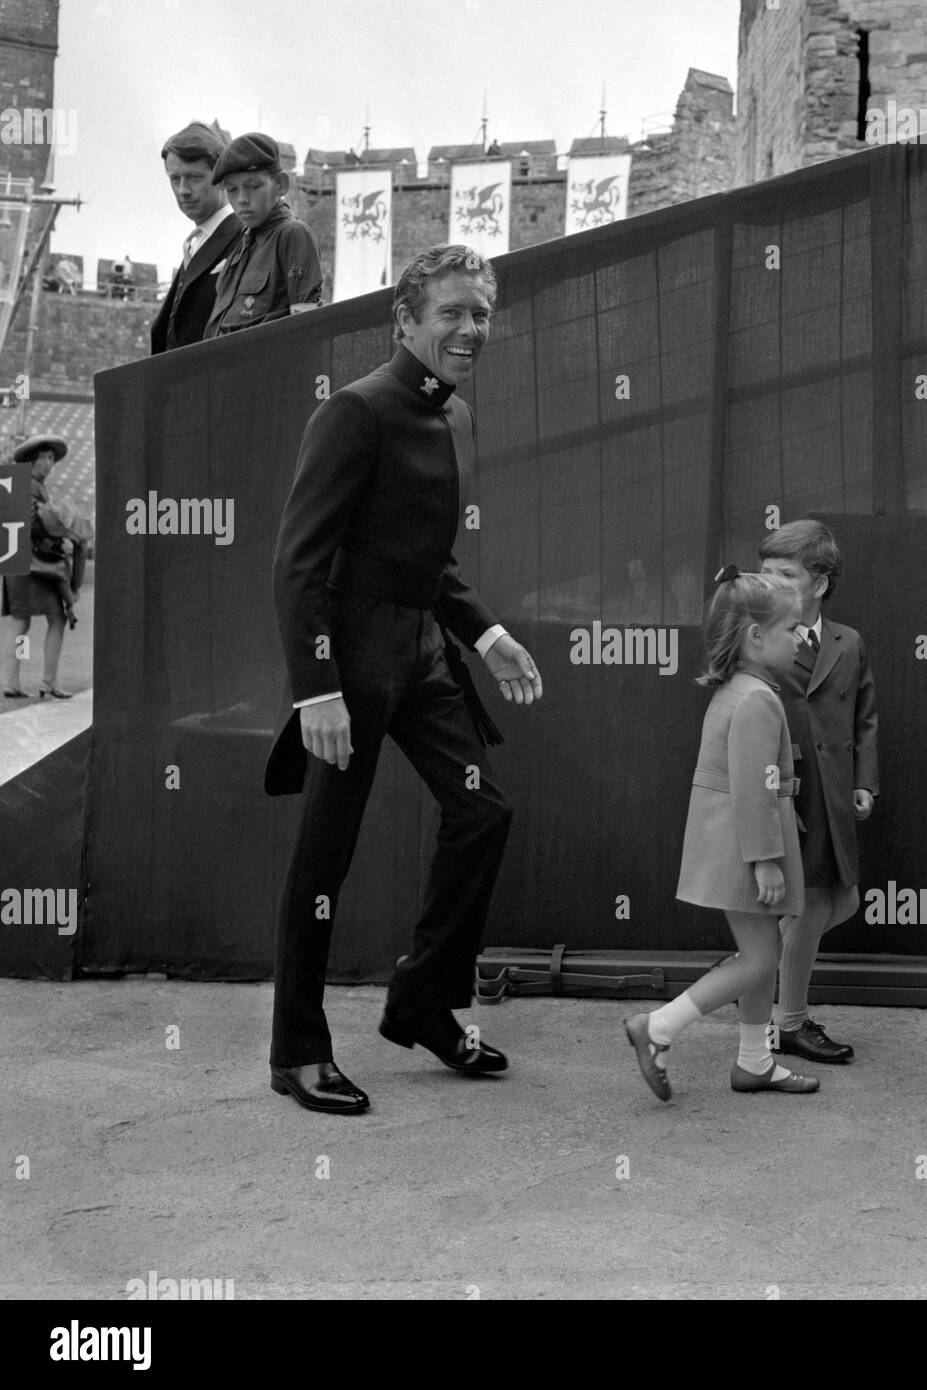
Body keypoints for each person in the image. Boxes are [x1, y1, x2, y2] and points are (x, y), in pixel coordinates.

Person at [264, 244, 542, 1115]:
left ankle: (422, 998)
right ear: (407, 321)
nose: (471, 329)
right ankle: (297, 1051)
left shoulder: (446, 415)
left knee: (482, 811)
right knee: (325, 857)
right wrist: (317, 687)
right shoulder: (355, 413)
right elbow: (297, 565)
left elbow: (426, 558)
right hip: (351, 667)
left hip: (421, 656)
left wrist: (487, 634)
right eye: (453, 313)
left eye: (482, 314)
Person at [623, 565, 820, 1101]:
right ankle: (658, 1028)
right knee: (760, 958)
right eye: (790, 630)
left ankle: (754, 1062)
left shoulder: (741, 689)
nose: (800, 639)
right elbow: (755, 788)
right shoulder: (758, 699)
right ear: (756, 637)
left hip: (737, 842)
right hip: (745, 847)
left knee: (761, 956)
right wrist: (765, 859)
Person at [759, 519, 879, 1065]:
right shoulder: (757, 636)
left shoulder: (848, 642)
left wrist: (863, 782)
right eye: (766, 573)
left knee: (846, 899)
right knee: (807, 909)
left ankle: (755, 965)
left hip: (835, 796)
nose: (772, 583)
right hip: (789, 793)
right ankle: (790, 1021)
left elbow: (865, 719)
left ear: (820, 583)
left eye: (786, 574)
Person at [204, 132, 322, 338]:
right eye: (232, 189)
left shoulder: (293, 235)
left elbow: (308, 334)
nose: (242, 199)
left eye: (254, 186)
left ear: (281, 185)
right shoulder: (240, 248)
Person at [1, 434, 90, 700]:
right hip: (35, 564)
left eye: (52, 459)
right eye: (45, 458)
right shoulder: (32, 485)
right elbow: (36, 522)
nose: (50, 464)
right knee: (57, 618)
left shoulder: (16, 484)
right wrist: (63, 529)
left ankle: (12, 681)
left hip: (16, 560)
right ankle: (48, 681)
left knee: (21, 622)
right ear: (32, 460)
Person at [150, 121, 243, 353]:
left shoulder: (245, 238)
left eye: (194, 177)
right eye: (175, 179)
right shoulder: (195, 243)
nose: (183, 189)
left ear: (221, 178)